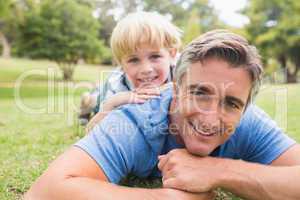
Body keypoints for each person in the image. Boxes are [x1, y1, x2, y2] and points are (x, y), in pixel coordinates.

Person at [25, 30, 300, 200]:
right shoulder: (134, 122)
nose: (210, 117)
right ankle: (90, 104)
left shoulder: (248, 120)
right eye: (199, 93)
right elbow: (44, 192)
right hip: (117, 104)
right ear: (176, 90)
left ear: (244, 106)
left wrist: (219, 171)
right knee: (99, 105)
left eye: (231, 103)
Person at [78, 11, 181, 129]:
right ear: (121, 64)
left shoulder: (182, 73)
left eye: (155, 56)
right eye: (134, 60)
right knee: (93, 100)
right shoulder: (117, 86)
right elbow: (94, 131)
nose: (146, 69)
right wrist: (112, 103)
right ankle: (87, 100)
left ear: (172, 54)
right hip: (105, 94)